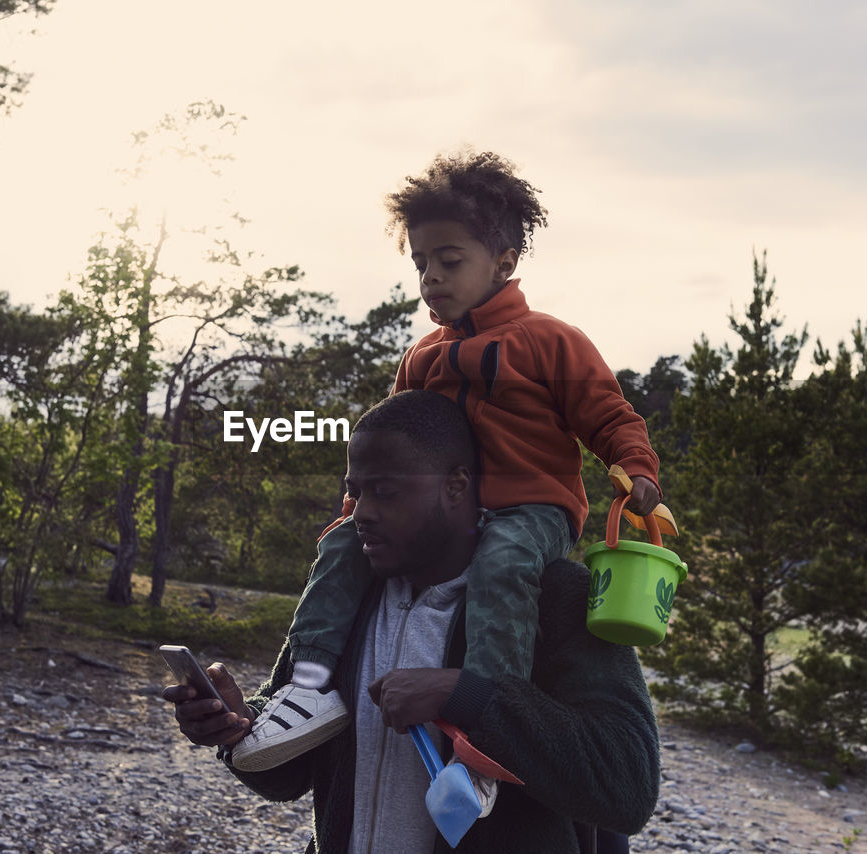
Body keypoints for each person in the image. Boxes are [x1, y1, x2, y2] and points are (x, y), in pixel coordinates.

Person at [229, 150, 664, 793]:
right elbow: (393, 441)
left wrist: (635, 467)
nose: (431, 277)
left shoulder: (552, 341)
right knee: (340, 546)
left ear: (505, 262)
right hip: (445, 519)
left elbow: (609, 414)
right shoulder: (422, 356)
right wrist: (358, 510)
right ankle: (308, 692)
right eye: (421, 263)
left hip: (531, 510)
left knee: (504, 563)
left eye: (449, 260)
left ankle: (487, 722)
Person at [165, 390, 660, 853]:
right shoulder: (343, 600)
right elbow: (295, 776)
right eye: (355, 492)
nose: (362, 513)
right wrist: (239, 728)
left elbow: (627, 785)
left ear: (455, 485)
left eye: (386, 492)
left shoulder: (556, 597)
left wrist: (465, 696)